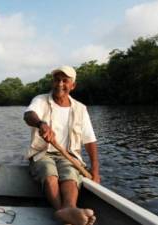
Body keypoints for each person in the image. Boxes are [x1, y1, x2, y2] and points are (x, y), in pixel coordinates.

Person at [23, 65, 100, 225]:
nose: (60, 84)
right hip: (42, 154)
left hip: (69, 156)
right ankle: (65, 212)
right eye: (57, 80)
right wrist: (41, 124)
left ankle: (67, 210)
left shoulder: (80, 109)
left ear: (73, 86)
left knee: (70, 177)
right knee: (49, 173)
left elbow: (90, 140)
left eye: (65, 81)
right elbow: (28, 115)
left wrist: (95, 170)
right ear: (52, 82)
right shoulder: (40, 100)